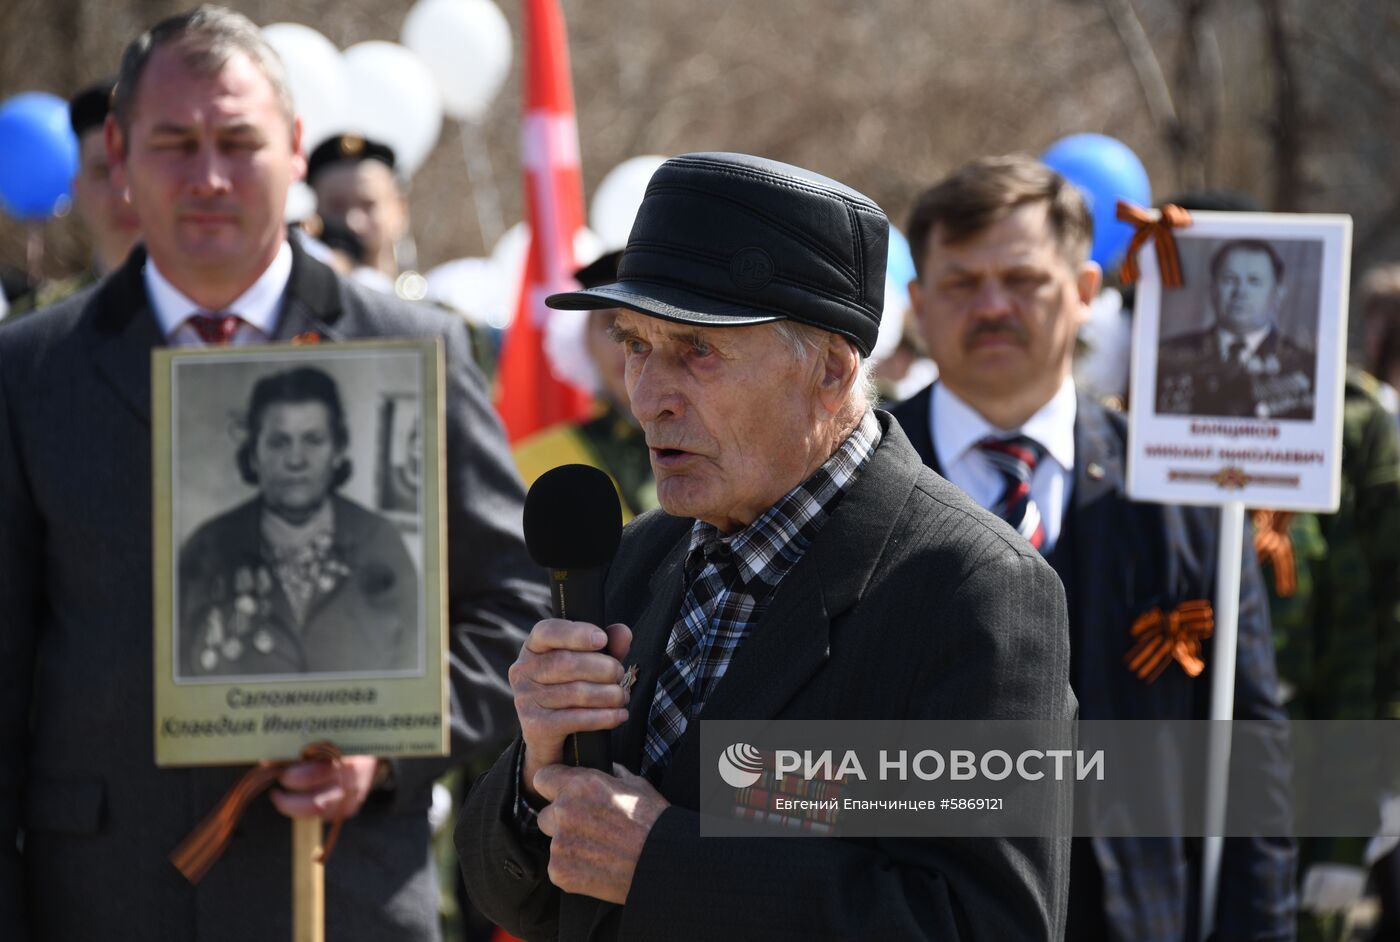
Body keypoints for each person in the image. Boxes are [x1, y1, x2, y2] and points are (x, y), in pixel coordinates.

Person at [0, 7, 549, 939]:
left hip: (347, 896)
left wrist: (383, 750)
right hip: (103, 900)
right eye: (176, 142)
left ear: (294, 149)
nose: (209, 175)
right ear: (122, 153)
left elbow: (516, 608)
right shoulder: (29, 370)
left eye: (238, 141)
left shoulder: (414, 348)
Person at [457, 151, 1075, 940]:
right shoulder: (634, 559)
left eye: (698, 351)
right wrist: (538, 775)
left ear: (831, 367)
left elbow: (984, 924)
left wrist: (664, 862)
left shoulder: (970, 588)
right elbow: (519, 896)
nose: (649, 399)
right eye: (636, 344)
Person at [890, 155, 1296, 942]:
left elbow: (1250, 751)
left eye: (1023, 279)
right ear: (918, 303)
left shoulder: (1190, 493)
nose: (993, 306)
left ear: (1084, 291)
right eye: (962, 283)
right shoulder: (847, 489)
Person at [178, 366, 419, 678]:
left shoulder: (381, 542)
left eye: (313, 440)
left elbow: (414, 669)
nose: (296, 460)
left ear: (338, 450)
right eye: (279, 442)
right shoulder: (206, 549)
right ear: (253, 455)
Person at [514, 250, 658, 520]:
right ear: (584, 339)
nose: (627, 343)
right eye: (611, 323)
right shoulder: (536, 465)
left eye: (647, 320)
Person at [7, 80, 141, 316]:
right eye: (102, 171)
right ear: (77, 187)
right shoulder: (36, 321)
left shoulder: (212, 319)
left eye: (134, 169)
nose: (124, 195)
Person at [1156, 238, 1316, 419]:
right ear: (1212, 288)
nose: (1241, 292)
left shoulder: (1306, 367)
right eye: (1229, 279)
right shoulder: (1165, 357)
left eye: (1254, 281)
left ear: (1278, 293)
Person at [307, 133, 414, 293]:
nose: (352, 222)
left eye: (368, 204)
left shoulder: (427, 309)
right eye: (336, 206)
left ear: (401, 210)